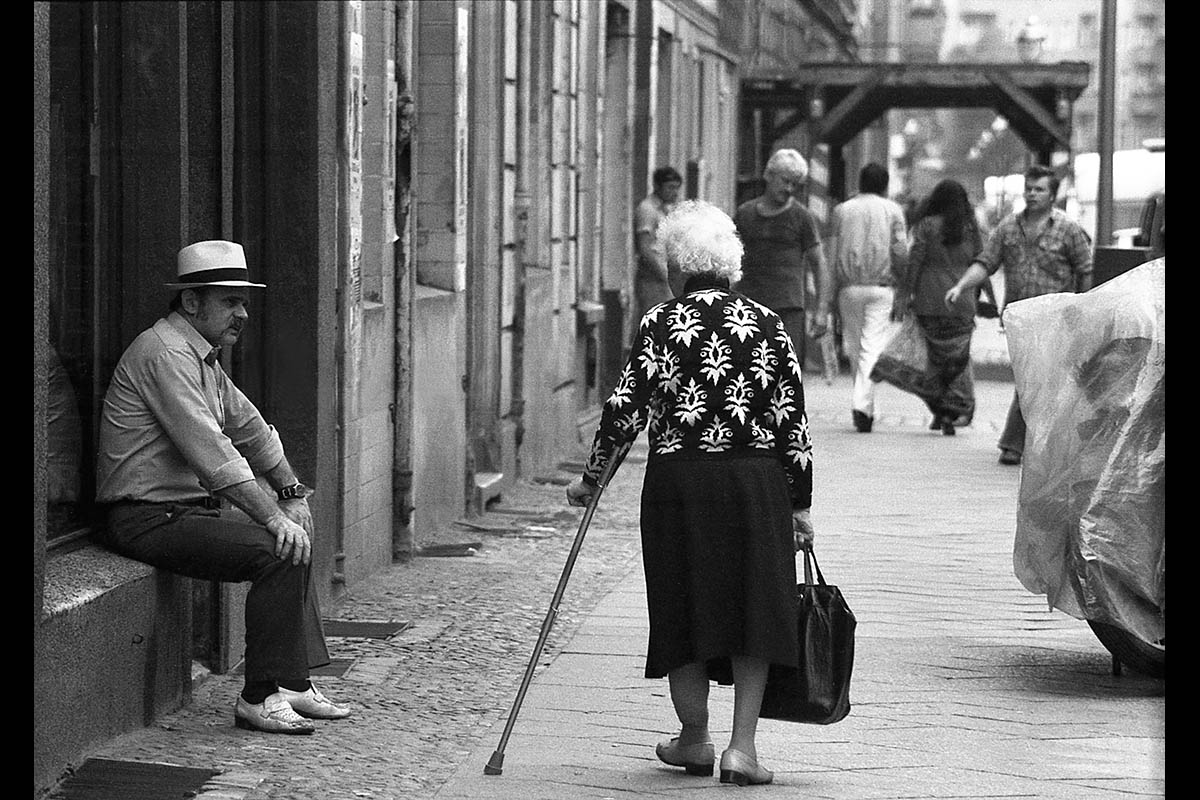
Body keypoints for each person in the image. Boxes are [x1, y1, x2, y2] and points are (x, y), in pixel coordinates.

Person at [566, 200, 817, 786]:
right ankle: (742, 749)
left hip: (680, 481)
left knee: (684, 601)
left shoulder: (661, 322)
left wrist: (592, 478)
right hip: (754, 481)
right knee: (755, 606)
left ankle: (695, 738)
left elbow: (624, 409)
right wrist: (799, 502)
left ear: (678, 265)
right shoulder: (769, 325)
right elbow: (793, 423)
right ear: (732, 265)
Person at [94, 239, 351, 735]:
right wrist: (273, 515)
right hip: (143, 517)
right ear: (192, 302)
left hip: (184, 512)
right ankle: (258, 698)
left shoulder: (202, 356)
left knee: (293, 535)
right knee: (278, 548)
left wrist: (292, 493)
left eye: (245, 302)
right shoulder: (165, 353)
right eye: (230, 301)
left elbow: (250, 427)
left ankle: (293, 683)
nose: (243, 313)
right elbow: (214, 456)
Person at [945, 165, 1093, 465]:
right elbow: (986, 262)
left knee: (1037, 379)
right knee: (1034, 379)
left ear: (1052, 195)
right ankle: (1042, 443)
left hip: (1056, 318)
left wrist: (1083, 306)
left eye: (1039, 189)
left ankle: (1014, 444)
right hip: (1019, 320)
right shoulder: (1008, 227)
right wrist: (961, 285)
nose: (1032, 193)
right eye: (1029, 188)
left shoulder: (1069, 229)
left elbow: (1085, 270)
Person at [896, 178, 984, 436]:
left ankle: (939, 410)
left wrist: (905, 294)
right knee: (957, 359)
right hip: (962, 301)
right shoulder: (970, 227)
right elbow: (983, 262)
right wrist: (987, 296)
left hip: (929, 300)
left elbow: (915, 263)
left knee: (933, 360)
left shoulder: (926, 226)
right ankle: (953, 409)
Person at [825, 162, 909, 433]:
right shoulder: (894, 211)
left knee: (854, 347)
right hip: (881, 287)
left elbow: (833, 253)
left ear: (860, 182)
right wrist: (903, 284)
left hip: (849, 288)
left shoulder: (842, 211)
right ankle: (863, 404)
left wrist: (829, 293)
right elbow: (900, 251)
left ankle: (864, 404)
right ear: (885, 185)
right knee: (872, 347)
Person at [733, 148, 831, 371]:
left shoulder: (802, 217)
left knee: (784, 370)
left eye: (794, 185)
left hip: (787, 309)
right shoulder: (745, 214)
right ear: (768, 175)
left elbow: (819, 263)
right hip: (748, 306)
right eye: (785, 181)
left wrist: (822, 310)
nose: (789, 189)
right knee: (747, 368)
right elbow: (729, 258)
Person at [633, 166, 684, 325]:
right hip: (652, 277)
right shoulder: (647, 209)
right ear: (657, 186)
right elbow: (645, 247)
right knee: (653, 320)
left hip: (664, 276)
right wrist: (664, 274)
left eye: (677, 188)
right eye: (670, 187)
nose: (674, 192)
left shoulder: (664, 209)